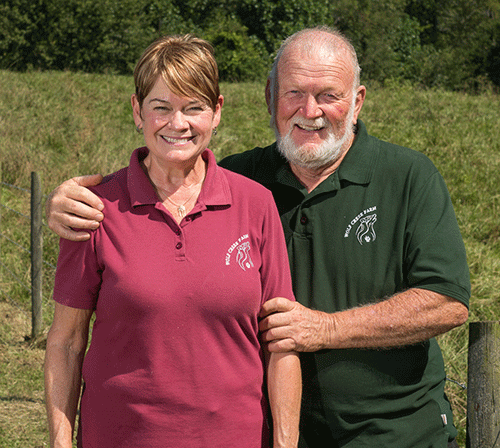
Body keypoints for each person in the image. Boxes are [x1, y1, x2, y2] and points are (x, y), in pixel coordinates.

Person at [46, 26, 470, 448]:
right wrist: (64, 201)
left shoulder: (407, 177)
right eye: (294, 94)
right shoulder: (245, 180)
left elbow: (448, 302)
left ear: (356, 102)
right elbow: (171, 170)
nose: (311, 110)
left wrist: (326, 328)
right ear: (270, 97)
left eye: (329, 95)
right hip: (268, 430)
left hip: (396, 433)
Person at [44, 34, 301, 448]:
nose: (177, 124)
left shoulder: (256, 205)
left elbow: (280, 344)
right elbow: (66, 341)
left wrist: (286, 444)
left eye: (193, 108)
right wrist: (60, 440)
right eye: (160, 107)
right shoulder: (93, 210)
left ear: (217, 112)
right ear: (136, 110)